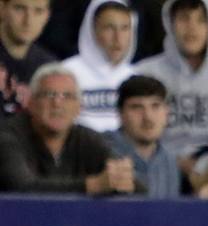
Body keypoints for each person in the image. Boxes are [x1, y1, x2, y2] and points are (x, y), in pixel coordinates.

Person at [135, 0, 208, 184]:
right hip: (154, 170)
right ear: (170, 23)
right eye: (184, 18)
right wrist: (171, 163)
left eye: (201, 20)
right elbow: (134, 133)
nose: (192, 28)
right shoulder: (146, 72)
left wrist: (202, 165)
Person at [0, 60, 136, 192]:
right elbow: (22, 187)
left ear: (79, 107)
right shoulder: (7, 136)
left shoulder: (87, 139)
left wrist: (121, 178)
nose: (57, 103)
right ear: (31, 103)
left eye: (67, 96)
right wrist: (92, 185)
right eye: (49, 94)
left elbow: (133, 186)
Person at [63, 0, 137, 131]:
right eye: (109, 28)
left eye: (125, 28)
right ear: (93, 30)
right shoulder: (66, 72)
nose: (118, 37)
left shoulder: (136, 76)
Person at [103, 72, 177, 195]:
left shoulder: (170, 161)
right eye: (137, 107)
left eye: (155, 106)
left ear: (166, 112)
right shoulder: (99, 150)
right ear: (120, 114)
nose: (148, 117)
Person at [1, 0, 58, 117]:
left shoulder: (50, 67)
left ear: (47, 15)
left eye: (38, 11)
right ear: (2, 8)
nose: (28, 21)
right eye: (19, 8)